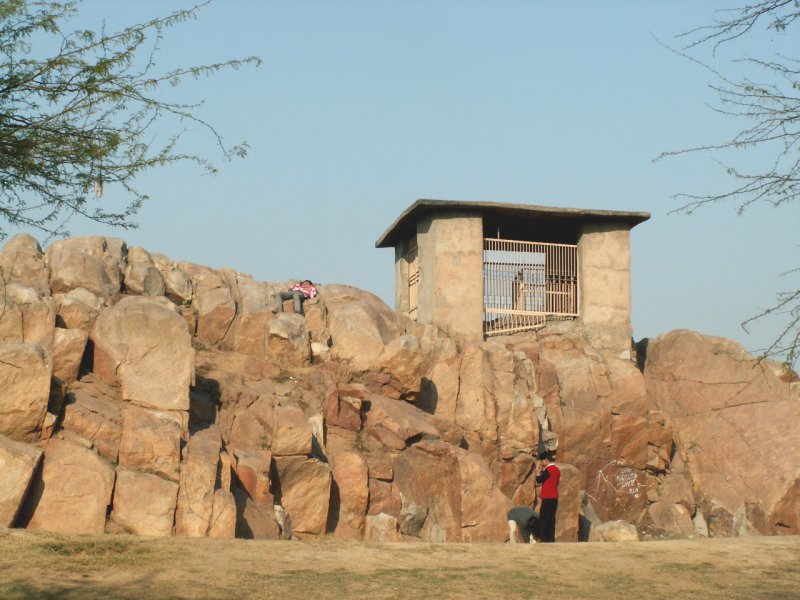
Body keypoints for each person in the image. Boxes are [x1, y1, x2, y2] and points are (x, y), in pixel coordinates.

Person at [534, 451, 560, 543]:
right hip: (554, 498)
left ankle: (543, 538)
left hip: (548, 498)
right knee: (551, 519)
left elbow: (539, 480)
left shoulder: (548, 470)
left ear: (545, 460)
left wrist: (538, 472)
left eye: (542, 461)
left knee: (544, 519)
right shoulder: (557, 469)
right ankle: (550, 539)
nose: (541, 463)